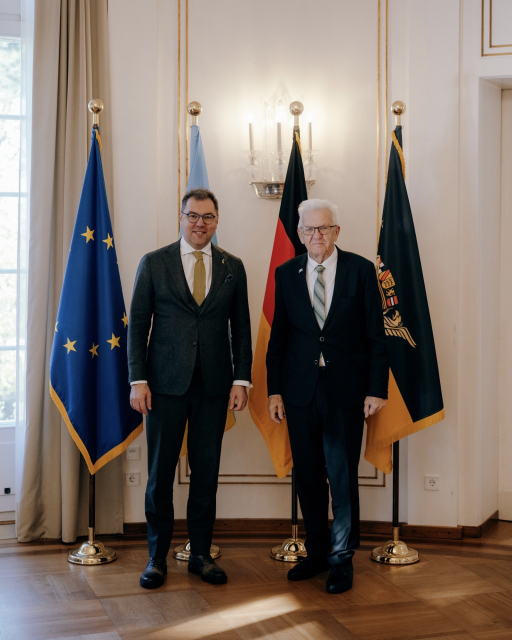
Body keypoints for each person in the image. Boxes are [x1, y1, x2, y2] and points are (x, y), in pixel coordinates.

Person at [128, 188, 252, 589]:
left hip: (215, 388)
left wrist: (241, 379)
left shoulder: (233, 266)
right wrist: (138, 380)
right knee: (159, 477)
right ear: (181, 217)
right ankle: (156, 558)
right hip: (163, 387)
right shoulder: (154, 262)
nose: (200, 224)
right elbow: (137, 327)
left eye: (208, 217)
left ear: (217, 220)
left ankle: (201, 555)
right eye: (193, 216)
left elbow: (242, 329)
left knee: (206, 476)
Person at [266, 199, 388, 594]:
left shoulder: (361, 271)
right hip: (299, 392)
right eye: (308, 230)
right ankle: (316, 553)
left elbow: (376, 334)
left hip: (346, 392)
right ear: (299, 234)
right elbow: (278, 339)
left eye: (323, 229)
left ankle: (341, 559)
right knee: (308, 477)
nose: (316, 236)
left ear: (336, 231)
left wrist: (376, 389)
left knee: (341, 476)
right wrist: (274, 391)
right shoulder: (286, 274)